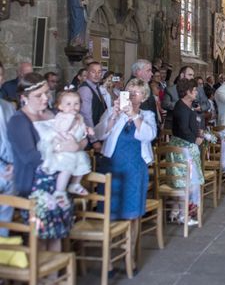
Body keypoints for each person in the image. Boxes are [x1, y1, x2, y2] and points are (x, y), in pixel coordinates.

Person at [7, 73, 75, 285]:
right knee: (38, 237)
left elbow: (75, 138)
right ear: (24, 97)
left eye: (46, 92)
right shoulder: (19, 120)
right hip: (35, 186)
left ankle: (52, 284)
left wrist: (73, 144)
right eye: (39, 94)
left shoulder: (52, 114)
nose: (46, 97)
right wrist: (63, 149)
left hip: (57, 183)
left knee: (56, 236)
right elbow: (29, 157)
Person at [94, 78, 157, 262]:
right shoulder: (113, 111)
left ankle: (130, 256)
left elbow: (148, 135)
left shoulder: (147, 115)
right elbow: (99, 134)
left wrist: (134, 116)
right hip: (112, 167)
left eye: (135, 93)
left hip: (134, 169)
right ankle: (110, 259)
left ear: (143, 98)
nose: (130, 96)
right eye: (128, 91)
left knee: (132, 213)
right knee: (110, 213)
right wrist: (113, 115)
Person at [37, 90, 93, 198]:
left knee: (83, 159)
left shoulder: (79, 117)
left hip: (75, 147)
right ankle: (60, 190)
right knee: (67, 166)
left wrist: (87, 129)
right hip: (62, 147)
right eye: (68, 104)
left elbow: (80, 130)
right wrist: (71, 117)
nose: (73, 107)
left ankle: (75, 184)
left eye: (76, 104)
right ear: (60, 106)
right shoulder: (61, 116)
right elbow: (62, 128)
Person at [167, 79, 205, 224]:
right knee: (186, 182)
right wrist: (195, 139)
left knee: (188, 182)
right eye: (194, 90)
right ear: (187, 92)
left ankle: (176, 211)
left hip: (186, 146)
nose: (196, 92)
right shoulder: (181, 107)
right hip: (183, 149)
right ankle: (184, 214)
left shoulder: (187, 105)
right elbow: (183, 129)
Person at [0, 62, 15, 235]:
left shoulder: (8, 107)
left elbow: (13, 139)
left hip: (10, 168)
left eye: (1, 75)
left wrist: (14, 163)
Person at [78, 61, 107, 151]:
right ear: (87, 73)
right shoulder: (85, 89)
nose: (97, 75)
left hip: (97, 133)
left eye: (99, 72)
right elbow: (86, 116)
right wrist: (94, 140)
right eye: (93, 72)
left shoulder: (96, 87)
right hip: (90, 138)